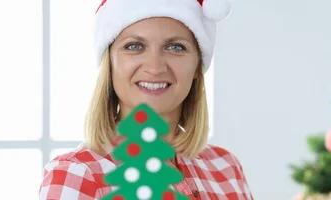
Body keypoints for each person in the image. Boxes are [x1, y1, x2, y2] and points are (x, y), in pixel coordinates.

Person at [38, 0, 253, 199]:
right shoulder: (78, 174)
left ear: (197, 65)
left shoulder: (226, 167)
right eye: (134, 46)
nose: (155, 67)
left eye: (175, 47)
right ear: (110, 63)